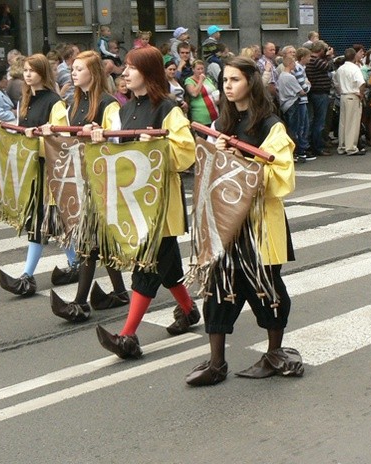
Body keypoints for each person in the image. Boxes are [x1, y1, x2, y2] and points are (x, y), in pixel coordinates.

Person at [184, 56, 302, 386]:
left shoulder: (269, 125)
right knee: (219, 288)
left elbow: (283, 177)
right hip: (227, 224)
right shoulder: (222, 123)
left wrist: (243, 159)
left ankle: (274, 353)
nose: (228, 86)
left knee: (266, 288)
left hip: (259, 224)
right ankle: (217, 362)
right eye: (225, 81)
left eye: (235, 80)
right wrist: (217, 152)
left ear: (250, 82)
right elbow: (208, 171)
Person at [91, 46, 199, 359]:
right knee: (166, 266)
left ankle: (127, 336)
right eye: (124, 67)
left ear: (147, 73)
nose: (124, 73)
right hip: (134, 203)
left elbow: (185, 153)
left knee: (147, 265)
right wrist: (103, 138)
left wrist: (158, 143)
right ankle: (189, 310)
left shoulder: (168, 108)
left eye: (131, 68)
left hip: (161, 205)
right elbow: (120, 152)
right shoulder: (124, 110)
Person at [49, 50, 130, 322]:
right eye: (73, 68)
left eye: (80, 69)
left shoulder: (109, 104)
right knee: (97, 240)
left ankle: (80, 303)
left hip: (101, 179)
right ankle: (119, 291)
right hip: (81, 179)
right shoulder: (73, 104)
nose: (74, 73)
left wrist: (101, 135)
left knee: (88, 240)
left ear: (93, 73)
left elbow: (118, 142)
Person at [0, 54, 70, 297]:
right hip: (34, 170)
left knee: (45, 222)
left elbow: (60, 140)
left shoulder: (54, 102)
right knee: (49, 222)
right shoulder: (24, 99)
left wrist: (35, 139)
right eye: (25, 70)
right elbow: (23, 134)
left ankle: (28, 276)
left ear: (43, 73)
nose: (27, 74)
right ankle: (74, 265)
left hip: (50, 170)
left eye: (32, 70)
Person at [334, 48, 366, 155]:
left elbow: (336, 84)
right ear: (354, 56)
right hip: (353, 95)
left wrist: (341, 91)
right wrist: (361, 94)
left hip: (343, 96)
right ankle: (351, 147)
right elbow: (362, 83)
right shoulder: (355, 68)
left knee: (343, 122)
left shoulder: (340, 69)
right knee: (352, 123)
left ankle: (342, 145)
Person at [184, 60, 219, 129]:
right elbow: (194, 93)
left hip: (214, 113)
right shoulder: (189, 81)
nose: (200, 71)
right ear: (193, 69)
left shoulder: (208, 79)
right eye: (198, 69)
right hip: (201, 117)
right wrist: (200, 80)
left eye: (202, 69)